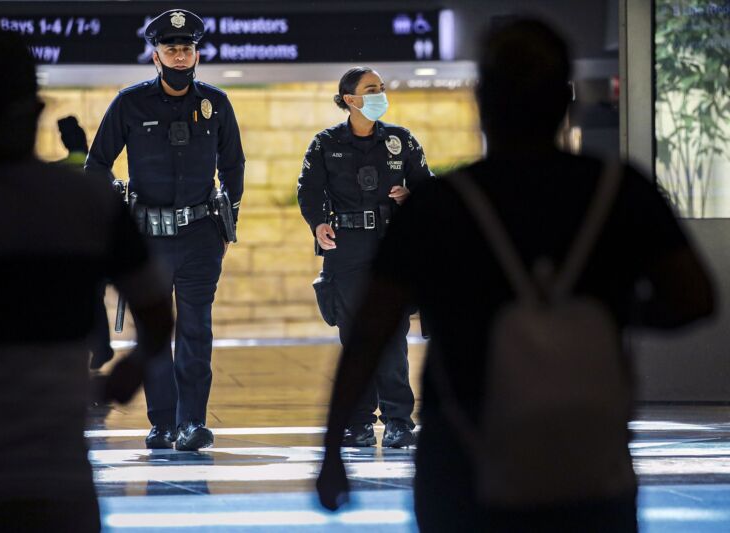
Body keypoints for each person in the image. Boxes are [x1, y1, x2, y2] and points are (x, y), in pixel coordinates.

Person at [316, 18, 715, 531]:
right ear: (565, 99)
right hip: (589, 465)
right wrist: (601, 311)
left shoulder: (440, 206)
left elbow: (371, 330)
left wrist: (331, 452)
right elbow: (695, 298)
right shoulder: (621, 191)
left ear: (483, 102)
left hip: (463, 463)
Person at [0, 31, 173, 532]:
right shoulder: (84, 203)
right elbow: (155, 312)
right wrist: (122, 379)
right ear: (36, 108)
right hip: (54, 484)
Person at [85, 9, 245, 451]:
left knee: (196, 330)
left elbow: (233, 164)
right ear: (155, 54)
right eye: (171, 48)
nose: (180, 55)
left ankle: (192, 423)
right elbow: (96, 166)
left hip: (200, 237)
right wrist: (119, 198)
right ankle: (162, 424)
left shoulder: (216, 103)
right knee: (154, 332)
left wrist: (228, 221)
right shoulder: (130, 103)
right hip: (148, 238)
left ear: (196, 54)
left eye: (187, 48)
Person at [297, 67, 433, 448]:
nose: (380, 95)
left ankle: (398, 421)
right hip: (346, 248)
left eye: (382, 88)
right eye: (371, 89)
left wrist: (412, 199)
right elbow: (308, 190)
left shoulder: (400, 141)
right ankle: (357, 421)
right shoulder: (325, 144)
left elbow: (427, 186)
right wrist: (318, 224)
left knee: (392, 335)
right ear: (350, 99)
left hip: (391, 244)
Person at [55, 115, 115, 371]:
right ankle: (100, 347)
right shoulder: (102, 173)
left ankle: (89, 349)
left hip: (68, 252)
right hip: (96, 250)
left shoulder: (57, 173)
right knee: (94, 299)